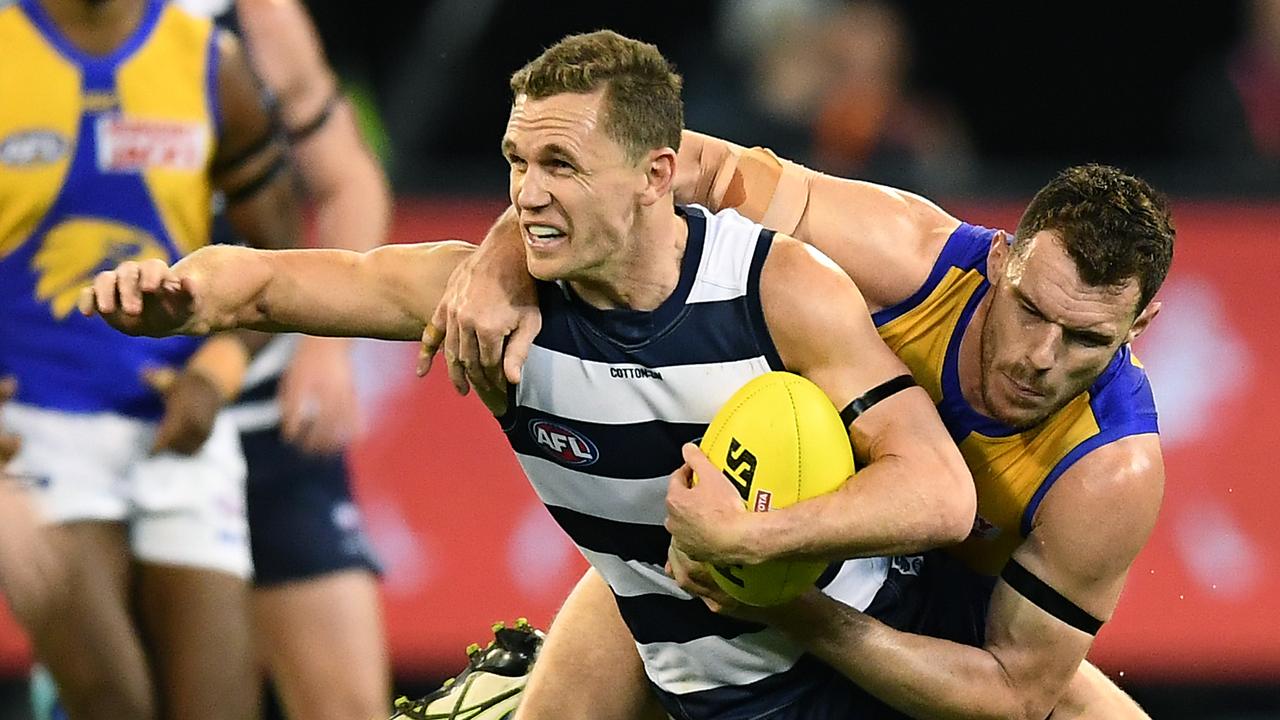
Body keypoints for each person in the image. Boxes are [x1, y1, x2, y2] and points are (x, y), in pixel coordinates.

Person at [82, 29, 978, 720]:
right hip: (706, 697)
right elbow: (278, 281)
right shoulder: (488, 308)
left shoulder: (777, 287)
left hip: (876, 672)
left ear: (654, 174)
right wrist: (182, 292)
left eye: (560, 165)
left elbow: (940, 494)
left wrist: (754, 544)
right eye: (517, 161)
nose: (527, 194)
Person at [425, 132, 1173, 717]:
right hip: (755, 524)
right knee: (648, 574)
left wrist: (791, 606)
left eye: (1086, 341)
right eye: (1030, 310)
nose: (1041, 357)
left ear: (1142, 324)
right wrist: (503, 258)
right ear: (1001, 259)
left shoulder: (1109, 470)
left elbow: (1011, 694)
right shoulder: (906, 255)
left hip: (949, 632)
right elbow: (676, 160)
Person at [0, 0, 299, 717]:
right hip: (31, 433)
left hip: (180, 427)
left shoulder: (209, 62)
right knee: (112, 702)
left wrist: (212, 378)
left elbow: (278, 268)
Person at [213, 1, 391, 718]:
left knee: (348, 705)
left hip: (263, 408)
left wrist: (324, 348)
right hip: (112, 412)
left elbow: (350, 181)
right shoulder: (26, 32)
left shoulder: (255, 18)